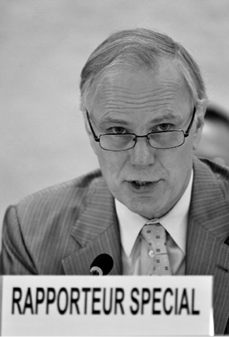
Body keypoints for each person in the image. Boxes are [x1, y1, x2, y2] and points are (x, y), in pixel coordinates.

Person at [1, 28, 229, 334]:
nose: (141, 158)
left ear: (197, 123)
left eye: (163, 127)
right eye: (118, 131)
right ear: (88, 127)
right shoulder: (31, 231)